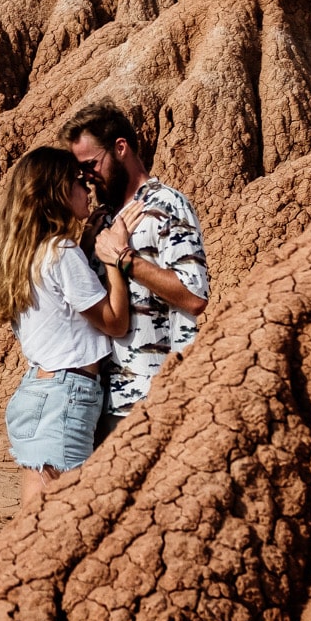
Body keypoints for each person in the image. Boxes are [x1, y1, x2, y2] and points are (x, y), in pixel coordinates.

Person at [0, 145, 132, 503]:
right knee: (66, 518)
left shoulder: (29, 252)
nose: (89, 190)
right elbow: (114, 322)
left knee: (36, 524)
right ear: (58, 191)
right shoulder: (62, 252)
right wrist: (114, 260)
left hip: (38, 393)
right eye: (79, 181)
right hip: (66, 397)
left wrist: (85, 243)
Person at [62, 104, 209, 439]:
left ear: (120, 148)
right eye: (81, 173)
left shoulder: (167, 206)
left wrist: (125, 259)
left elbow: (194, 297)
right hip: (100, 399)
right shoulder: (104, 217)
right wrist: (87, 247)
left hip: (152, 398)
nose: (88, 178)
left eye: (91, 165)